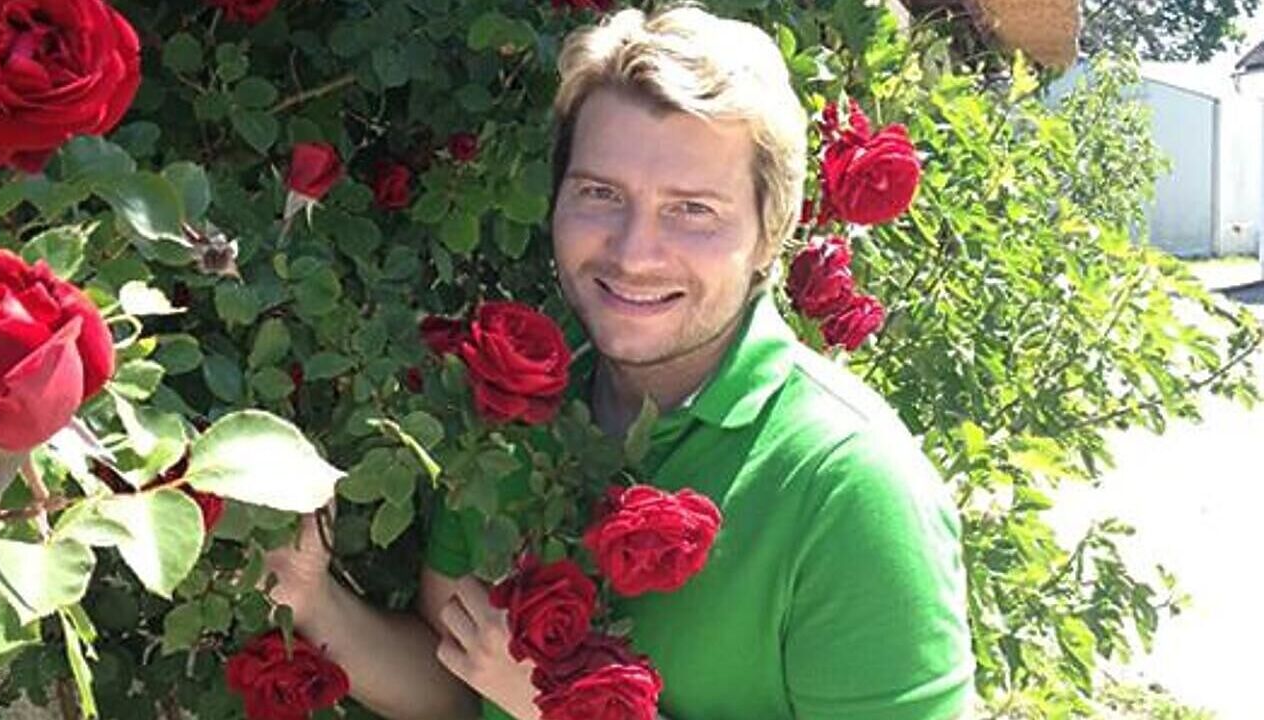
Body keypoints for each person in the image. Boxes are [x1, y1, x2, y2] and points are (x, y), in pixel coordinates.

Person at [266, 6, 975, 720]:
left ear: (772, 232)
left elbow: (519, 695)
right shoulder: (517, 420)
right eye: (601, 193)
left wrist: (557, 707)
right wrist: (313, 599)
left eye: (692, 209)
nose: (634, 253)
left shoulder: (847, 489)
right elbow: (458, 681)